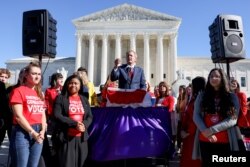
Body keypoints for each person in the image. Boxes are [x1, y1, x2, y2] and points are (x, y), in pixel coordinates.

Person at [193, 68, 242, 166]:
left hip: (225, 140)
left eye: (217, 76)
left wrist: (211, 130)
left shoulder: (231, 97)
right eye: (211, 76)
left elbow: (232, 119)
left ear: (222, 78)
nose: (213, 78)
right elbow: (196, 116)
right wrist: (205, 131)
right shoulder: (202, 96)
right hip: (205, 140)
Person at [9, 62, 47, 167]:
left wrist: (43, 131)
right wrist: (32, 132)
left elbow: (42, 114)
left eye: (39, 74)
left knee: (33, 165)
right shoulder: (18, 91)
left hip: (39, 132)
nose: (37, 76)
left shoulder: (40, 93)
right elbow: (18, 116)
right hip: (23, 132)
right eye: (34, 73)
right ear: (26, 75)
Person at [53, 74, 93, 167]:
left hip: (82, 139)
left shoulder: (84, 99)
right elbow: (57, 115)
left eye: (76, 83)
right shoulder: (61, 98)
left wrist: (84, 125)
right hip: (66, 138)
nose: (73, 85)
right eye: (71, 83)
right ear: (67, 84)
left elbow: (90, 116)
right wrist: (75, 124)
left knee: (82, 163)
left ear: (80, 86)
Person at [180, 77, 206, 167]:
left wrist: (187, 132)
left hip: (193, 135)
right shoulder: (194, 98)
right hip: (190, 134)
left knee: (192, 160)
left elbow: (195, 118)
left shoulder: (199, 99)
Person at [230, 78, 250, 150]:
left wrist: (238, 121)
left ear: (237, 85)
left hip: (239, 123)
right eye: (231, 83)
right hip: (230, 122)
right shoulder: (227, 95)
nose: (233, 84)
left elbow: (244, 109)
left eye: (235, 83)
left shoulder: (241, 94)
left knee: (240, 142)